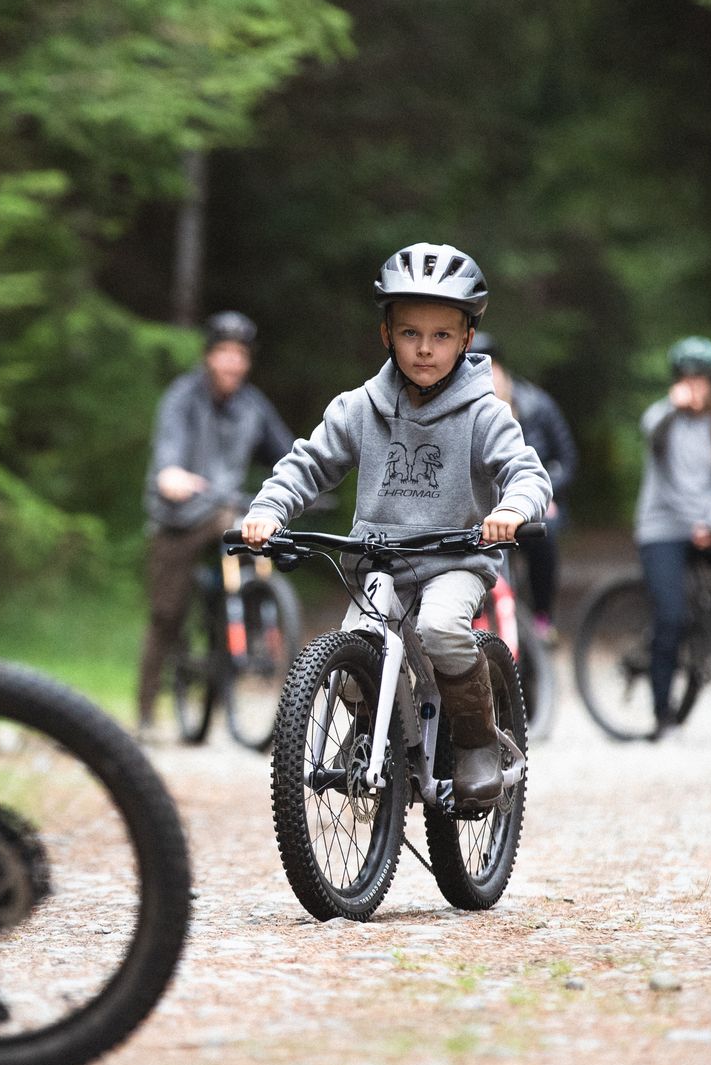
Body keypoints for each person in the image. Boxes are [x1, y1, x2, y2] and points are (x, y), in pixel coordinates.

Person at [240, 244, 550, 805]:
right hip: (378, 562)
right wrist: (268, 511)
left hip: (454, 559)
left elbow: (526, 473)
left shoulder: (485, 413)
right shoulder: (360, 407)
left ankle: (476, 741)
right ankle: (375, 736)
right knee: (354, 654)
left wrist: (511, 510)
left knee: (440, 628)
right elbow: (308, 464)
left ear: (467, 339)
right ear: (386, 334)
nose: (425, 348)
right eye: (410, 333)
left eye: (441, 335)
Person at [136, 311, 295, 739]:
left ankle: (253, 614)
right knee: (166, 615)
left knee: (253, 529)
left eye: (240, 355)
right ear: (209, 356)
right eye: (224, 352)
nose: (232, 362)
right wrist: (171, 474)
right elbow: (168, 450)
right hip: (178, 517)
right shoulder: (182, 398)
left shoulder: (252, 406)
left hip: (226, 512)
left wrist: (307, 483)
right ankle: (146, 712)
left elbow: (287, 454)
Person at [634, 335, 711, 737]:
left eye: (701, 380)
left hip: (706, 529)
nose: (694, 387)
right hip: (662, 530)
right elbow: (664, 481)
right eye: (687, 379)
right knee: (670, 618)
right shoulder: (661, 421)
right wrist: (672, 406)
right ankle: (663, 716)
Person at [474, 332, 578, 641]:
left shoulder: (538, 405)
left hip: (535, 500)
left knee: (544, 534)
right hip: (485, 505)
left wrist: (547, 493)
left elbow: (567, 459)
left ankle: (543, 615)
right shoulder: (465, 410)